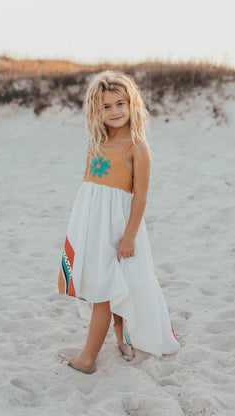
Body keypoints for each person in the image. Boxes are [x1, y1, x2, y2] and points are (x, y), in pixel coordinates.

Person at [57, 70, 182, 374]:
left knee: (105, 290)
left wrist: (129, 236)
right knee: (107, 284)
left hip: (121, 230)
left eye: (120, 104)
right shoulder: (95, 143)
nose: (114, 112)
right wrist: (82, 230)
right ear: (95, 111)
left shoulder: (137, 147)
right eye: (106, 106)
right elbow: (90, 192)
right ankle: (120, 336)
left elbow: (139, 198)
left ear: (132, 104)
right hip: (93, 228)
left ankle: (88, 359)